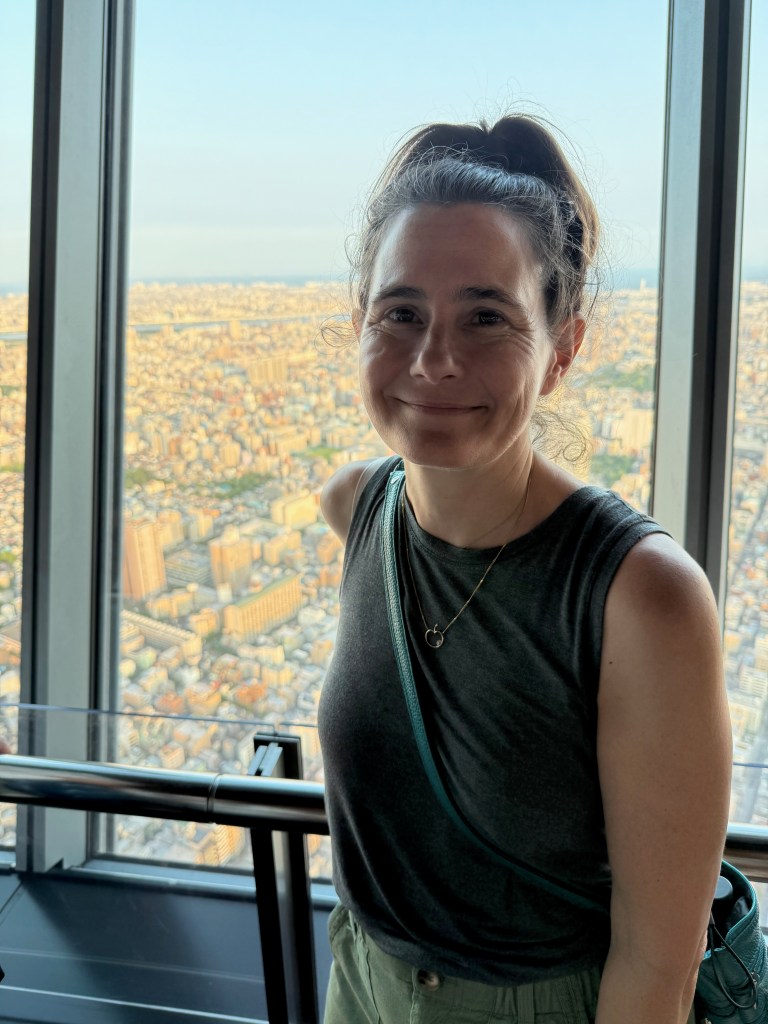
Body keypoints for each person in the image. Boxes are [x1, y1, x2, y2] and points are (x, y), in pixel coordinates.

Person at [317, 115, 732, 1024]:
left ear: (562, 350)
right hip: (359, 980)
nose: (434, 358)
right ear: (360, 325)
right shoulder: (358, 510)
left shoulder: (639, 595)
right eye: (400, 313)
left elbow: (657, 965)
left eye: (486, 317)